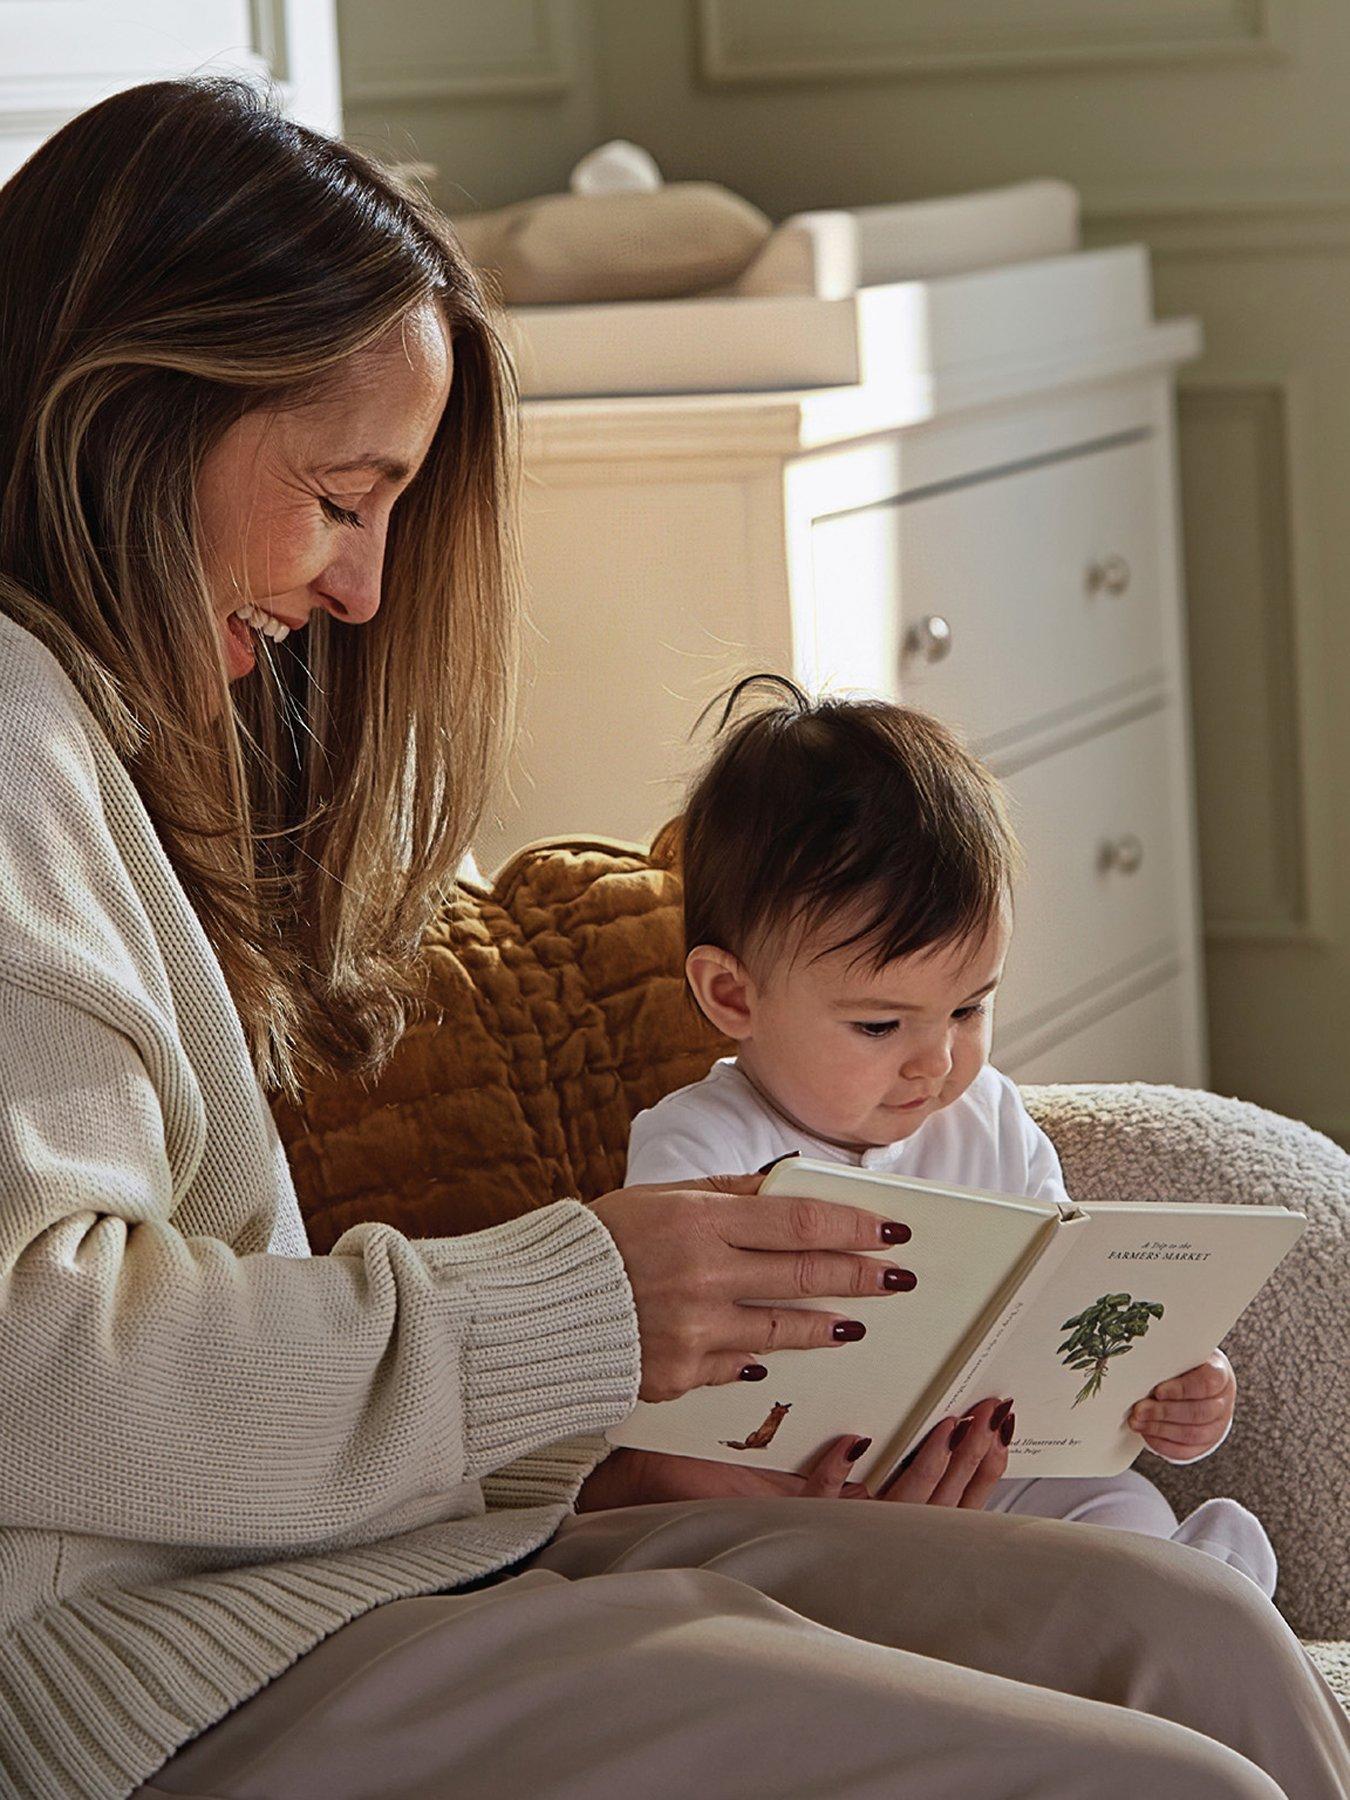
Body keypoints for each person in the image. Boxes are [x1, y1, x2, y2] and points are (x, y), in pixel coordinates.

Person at [0, 74, 1344, 1800]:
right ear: (132, 413)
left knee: (1202, 1642)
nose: (364, 591)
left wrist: (619, 1469)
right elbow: (37, 1367)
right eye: (342, 497)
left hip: (380, 1567)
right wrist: (574, 1306)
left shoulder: (98, 745)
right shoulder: (13, 734)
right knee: (1178, 1780)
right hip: (175, 1681)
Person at [622, 678, 1279, 1594]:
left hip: (999, 1473)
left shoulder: (989, 1117)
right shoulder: (696, 1154)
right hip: (814, 1506)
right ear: (734, 996)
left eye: (970, 1008)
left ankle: (1186, 1591)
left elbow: (1062, 1305)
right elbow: (664, 1409)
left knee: (1121, 1509)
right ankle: (1122, 1615)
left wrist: (1170, 1386)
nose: (937, 1063)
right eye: (880, 1025)